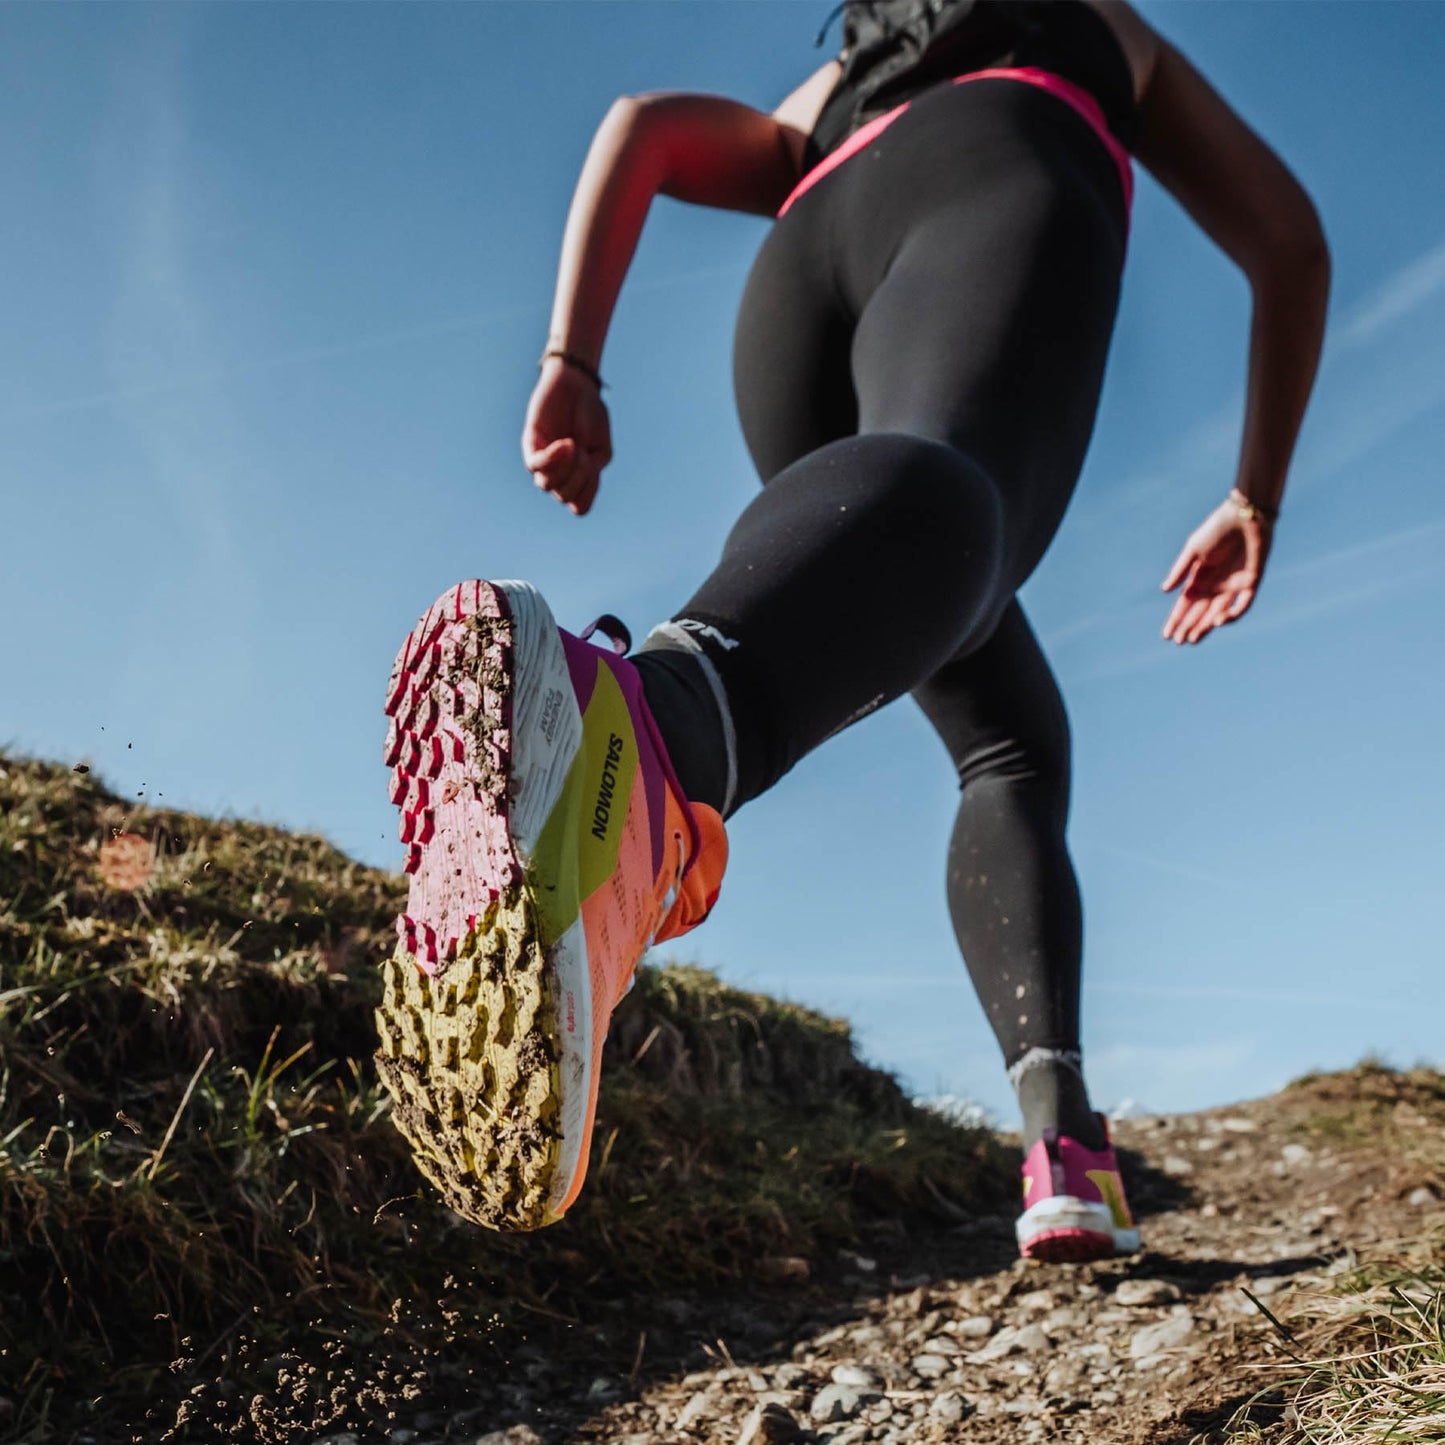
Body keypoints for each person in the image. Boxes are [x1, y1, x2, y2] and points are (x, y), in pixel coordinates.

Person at [373, 0, 1329, 1256]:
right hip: (995, 167)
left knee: (1006, 732)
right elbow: (1289, 246)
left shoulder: (824, 93)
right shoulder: (1090, 22)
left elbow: (641, 129)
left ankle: (1063, 1139)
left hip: (798, 280)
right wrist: (1254, 492)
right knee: (952, 492)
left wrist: (572, 358)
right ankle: (638, 738)